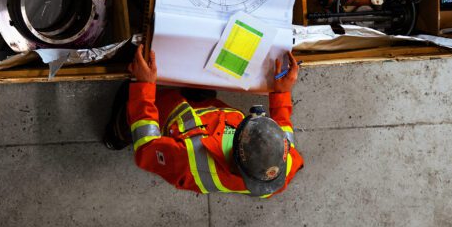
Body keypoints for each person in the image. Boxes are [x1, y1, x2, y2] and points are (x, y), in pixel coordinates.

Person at [104, 46, 303, 196]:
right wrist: (281, 93)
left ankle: (116, 136)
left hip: (169, 114)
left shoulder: (189, 161)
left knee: (129, 119)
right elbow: (283, 131)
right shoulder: (279, 171)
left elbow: (146, 148)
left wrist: (143, 87)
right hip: (207, 110)